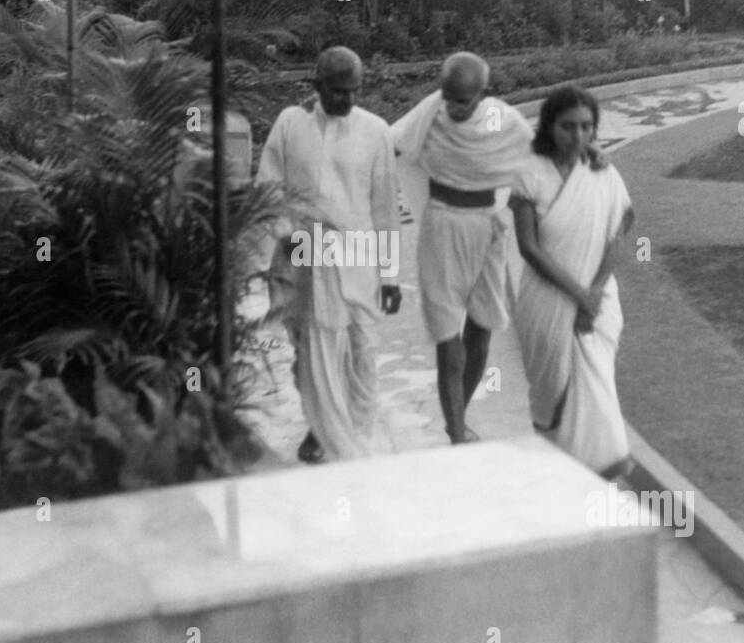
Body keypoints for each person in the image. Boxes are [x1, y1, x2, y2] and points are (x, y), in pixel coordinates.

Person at [388, 52, 602, 444]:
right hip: (444, 226)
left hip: (489, 227)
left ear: (483, 94)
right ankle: (456, 430)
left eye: (463, 100)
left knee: (483, 329)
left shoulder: (502, 119)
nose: (453, 106)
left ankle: (459, 415)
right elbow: (389, 141)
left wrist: (587, 151)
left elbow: (540, 149)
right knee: (447, 334)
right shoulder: (430, 110)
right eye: (449, 96)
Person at [256, 47, 402, 463]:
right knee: (308, 345)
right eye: (339, 92)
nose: (349, 100)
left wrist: (390, 276)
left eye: (355, 91)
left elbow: (385, 208)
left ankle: (356, 440)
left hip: (356, 255)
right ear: (316, 86)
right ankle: (319, 426)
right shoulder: (290, 123)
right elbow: (269, 185)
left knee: (361, 350)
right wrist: (285, 235)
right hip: (300, 249)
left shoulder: (375, 131)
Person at [509, 84, 635, 479]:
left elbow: (619, 232)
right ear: (549, 126)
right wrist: (577, 294)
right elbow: (529, 248)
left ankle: (602, 474)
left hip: (598, 300)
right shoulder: (529, 173)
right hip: (546, 302)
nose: (578, 136)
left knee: (597, 387)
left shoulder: (602, 172)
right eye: (568, 127)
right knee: (550, 394)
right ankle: (555, 479)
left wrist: (593, 294)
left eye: (586, 127)